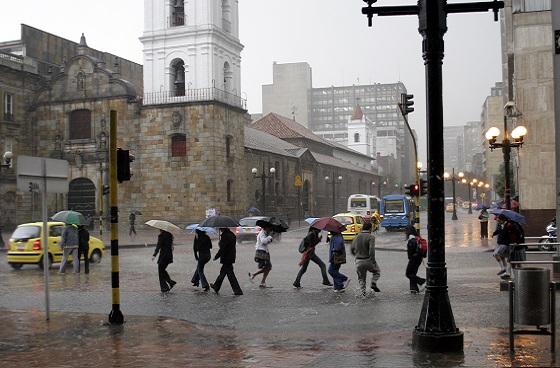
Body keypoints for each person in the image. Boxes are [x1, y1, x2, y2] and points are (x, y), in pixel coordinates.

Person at [350, 222, 381, 297]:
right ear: (370, 228)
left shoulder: (357, 236)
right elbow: (371, 250)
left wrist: (356, 256)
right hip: (368, 260)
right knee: (377, 272)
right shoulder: (371, 237)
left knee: (361, 278)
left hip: (358, 261)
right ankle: (373, 283)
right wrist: (373, 261)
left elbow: (352, 249)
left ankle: (363, 294)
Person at [210, 228, 243, 296]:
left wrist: (217, 256)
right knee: (223, 273)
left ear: (223, 229)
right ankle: (216, 286)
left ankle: (237, 290)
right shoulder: (232, 235)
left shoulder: (225, 236)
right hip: (231, 256)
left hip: (226, 257)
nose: (220, 229)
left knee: (230, 275)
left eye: (221, 228)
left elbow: (223, 248)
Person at [405, 225, 426, 294]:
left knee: (408, 274)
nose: (405, 232)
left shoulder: (411, 238)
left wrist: (410, 257)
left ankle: (423, 281)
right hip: (419, 258)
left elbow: (411, 251)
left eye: (406, 231)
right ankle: (414, 289)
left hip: (414, 258)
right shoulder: (417, 237)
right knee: (412, 273)